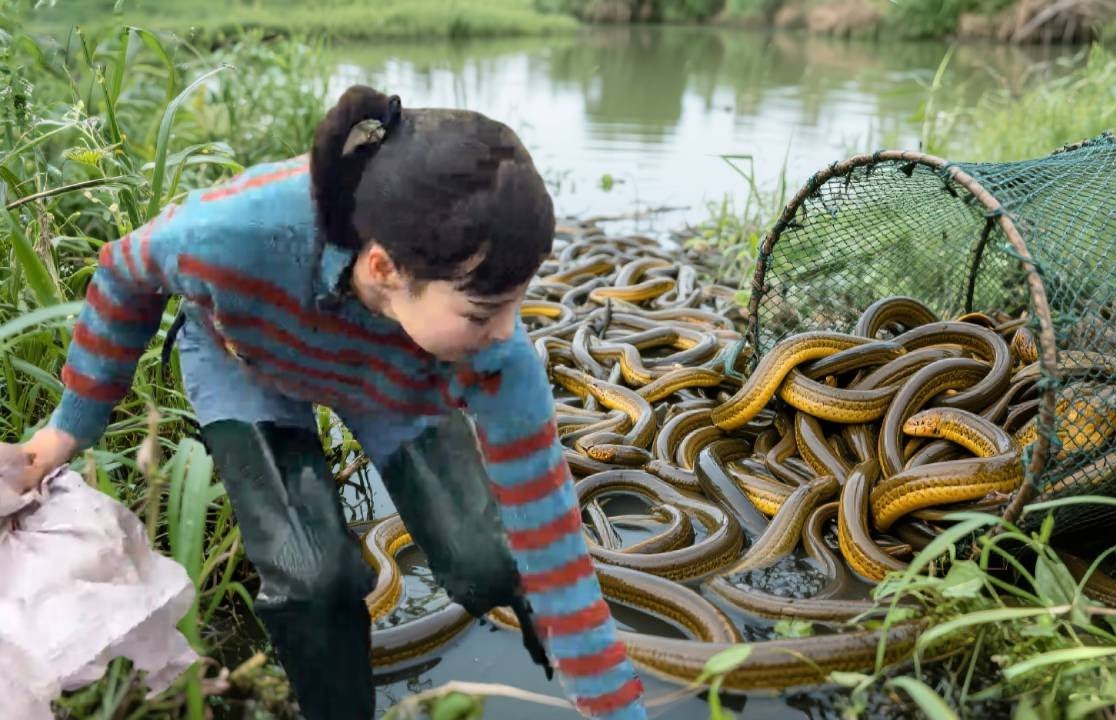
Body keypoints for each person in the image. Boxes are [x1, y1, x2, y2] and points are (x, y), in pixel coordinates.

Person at [10, 84, 647, 720]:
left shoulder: (494, 356)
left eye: (518, 300)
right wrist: (67, 429)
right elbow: (123, 271)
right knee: (313, 576)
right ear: (383, 268)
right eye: (484, 309)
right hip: (249, 360)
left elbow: (554, 546)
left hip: (391, 370)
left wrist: (614, 706)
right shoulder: (229, 232)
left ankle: (549, 660)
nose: (511, 331)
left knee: (490, 558)